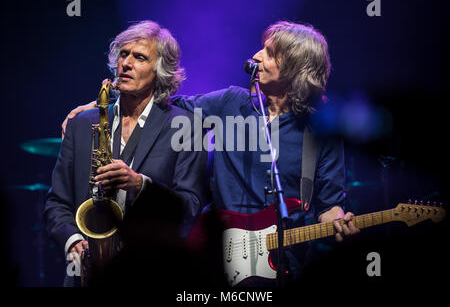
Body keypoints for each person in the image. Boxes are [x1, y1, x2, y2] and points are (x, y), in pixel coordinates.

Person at [62, 21, 360, 285]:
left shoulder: (321, 130)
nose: (256, 56)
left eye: (269, 52)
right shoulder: (231, 103)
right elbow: (162, 103)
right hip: (218, 259)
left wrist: (337, 223)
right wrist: (104, 104)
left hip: (285, 263)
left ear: (296, 67)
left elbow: (329, 205)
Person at [45, 20, 208, 286]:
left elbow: (190, 207)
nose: (126, 63)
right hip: (87, 274)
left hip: (150, 271)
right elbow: (56, 202)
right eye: (123, 54)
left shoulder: (186, 127)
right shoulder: (82, 123)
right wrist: (73, 241)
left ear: (160, 71)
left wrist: (140, 185)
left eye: (140, 57)